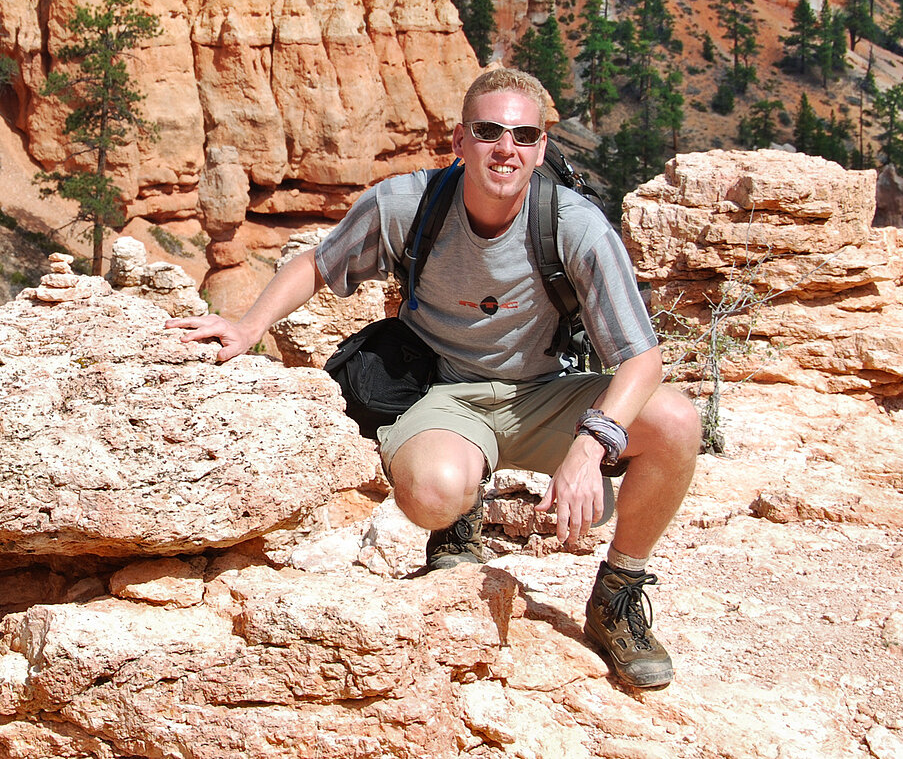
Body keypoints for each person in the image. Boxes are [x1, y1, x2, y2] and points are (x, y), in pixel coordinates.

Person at [168, 67, 700, 689]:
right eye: (489, 131)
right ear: (460, 141)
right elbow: (319, 262)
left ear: (542, 148)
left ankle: (617, 596)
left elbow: (642, 359)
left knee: (676, 420)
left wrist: (591, 445)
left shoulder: (573, 226)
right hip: (445, 395)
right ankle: (459, 519)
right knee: (432, 492)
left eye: (524, 136)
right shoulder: (409, 204)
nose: (507, 149)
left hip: (542, 393)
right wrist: (247, 326)